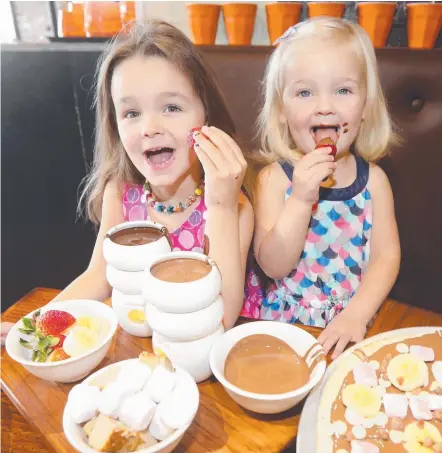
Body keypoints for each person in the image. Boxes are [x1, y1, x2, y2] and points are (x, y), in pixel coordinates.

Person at [1, 20, 254, 343]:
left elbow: (222, 316)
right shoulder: (120, 193)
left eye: (171, 107)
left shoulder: (235, 205)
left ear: (206, 116)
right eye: (131, 113)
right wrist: (35, 325)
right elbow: (98, 276)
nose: (149, 126)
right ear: (115, 126)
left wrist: (222, 206)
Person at [244, 17, 400, 359]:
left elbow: (385, 257)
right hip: (285, 326)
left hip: (353, 322)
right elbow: (272, 265)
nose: (325, 105)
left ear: (364, 108)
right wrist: (300, 199)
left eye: (343, 90)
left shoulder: (374, 182)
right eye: (304, 92)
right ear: (282, 111)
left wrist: (356, 315)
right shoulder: (273, 180)